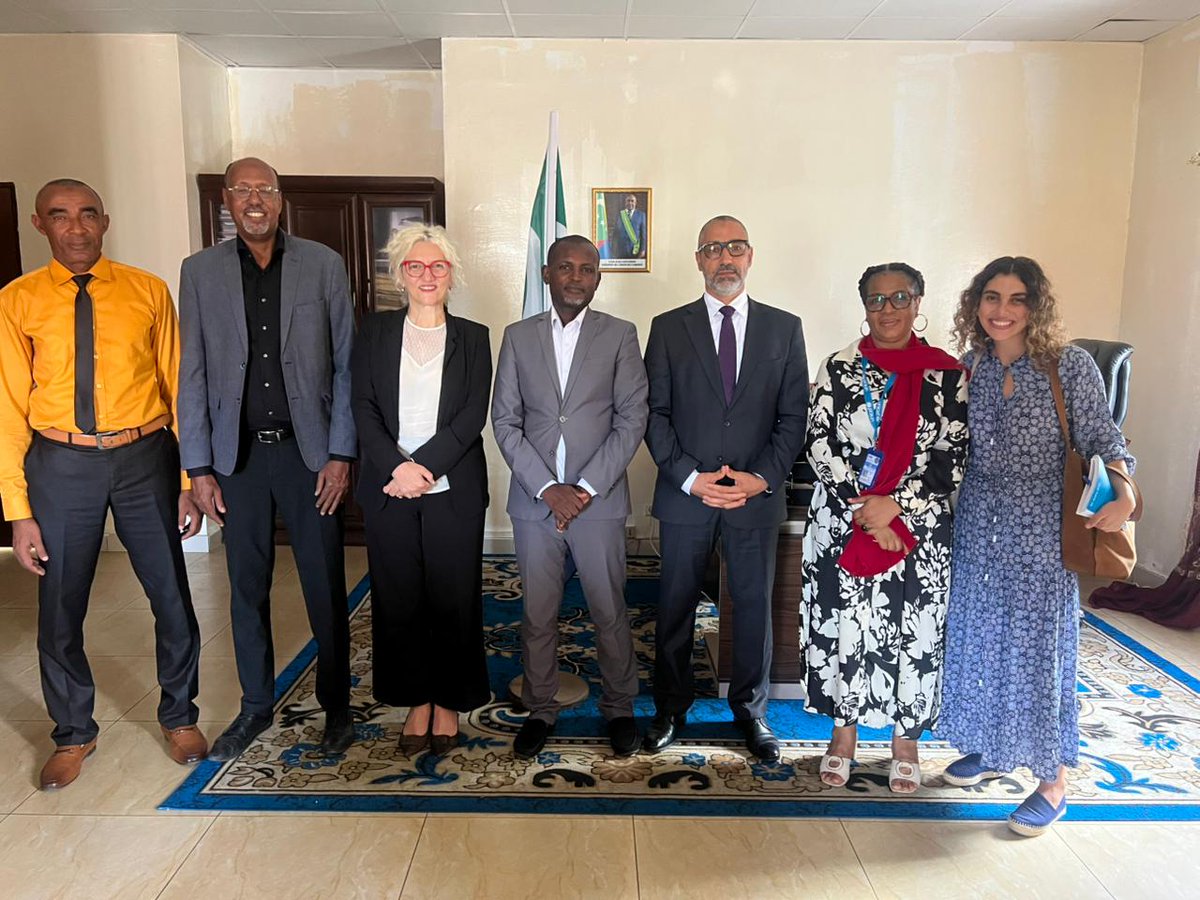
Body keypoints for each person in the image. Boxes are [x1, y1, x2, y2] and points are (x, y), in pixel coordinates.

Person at [0, 178, 206, 789]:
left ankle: (180, 715)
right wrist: (18, 509)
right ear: (40, 224)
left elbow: (178, 385)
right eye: (61, 216)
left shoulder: (147, 290)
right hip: (60, 463)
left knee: (170, 594)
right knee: (60, 604)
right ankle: (73, 732)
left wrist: (189, 478)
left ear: (105, 221)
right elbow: (8, 407)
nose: (77, 227)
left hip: (146, 457)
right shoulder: (17, 300)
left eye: (88, 214)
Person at [936, 256, 1136, 835]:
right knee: (979, 640)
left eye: (1017, 299)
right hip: (979, 525)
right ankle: (990, 747)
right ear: (976, 304)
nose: (1002, 311)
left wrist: (1125, 492)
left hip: (1044, 530)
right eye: (991, 297)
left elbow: (1105, 440)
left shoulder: (1067, 366)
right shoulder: (968, 367)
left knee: (1038, 649)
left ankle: (1052, 781)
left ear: (1035, 306)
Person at [178, 157, 356, 760]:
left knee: (324, 585)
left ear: (280, 200)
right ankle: (255, 706)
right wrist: (198, 468)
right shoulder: (199, 272)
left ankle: (337, 706)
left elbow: (346, 364)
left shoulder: (323, 264)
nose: (255, 200)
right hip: (238, 461)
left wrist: (340, 453)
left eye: (266, 190)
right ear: (227, 201)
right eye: (243, 190)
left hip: (311, 458)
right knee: (245, 588)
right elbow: (192, 373)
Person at [642, 216, 808, 762]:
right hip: (686, 495)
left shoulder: (784, 328)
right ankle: (671, 707)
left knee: (754, 606)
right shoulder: (668, 327)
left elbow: (793, 416)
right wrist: (691, 478)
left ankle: (751, 711)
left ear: (750, 255)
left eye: (735, 247)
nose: (725, 257)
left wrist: (760, 478)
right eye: (713, 249)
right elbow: (654, 413)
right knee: (675, 606)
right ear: (699, 260)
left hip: (753, 498)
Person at [801, 263, 968, 794]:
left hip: (917, 529)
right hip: (844, 521)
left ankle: (906, 742)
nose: (888, 309)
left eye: (900, 297)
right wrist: (865, 510)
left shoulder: (947, 373)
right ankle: (843, 735)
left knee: (914, 633)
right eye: (876, 299)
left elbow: (952, 455)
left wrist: (896, 506)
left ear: (918, 302)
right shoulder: (839, 366)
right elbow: (819, 443)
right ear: (864, 306)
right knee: (847, 627)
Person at [493, 235, 649, 759]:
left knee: (609, 609)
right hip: (534, 502)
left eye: (586, 268)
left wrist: (582, 490)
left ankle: (619, 708)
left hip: (597, 502)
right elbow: (505, 421)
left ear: (598, 278)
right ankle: (540, 708)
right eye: (566, 267)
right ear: (548, 273)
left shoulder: (621, 335)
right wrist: (547, 489)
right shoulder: (518, 337)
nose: (576, 277)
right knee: (538, 613)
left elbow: (632, 419)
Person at [351, 224, 491, 756]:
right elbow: (362, 405)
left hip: (452, 486)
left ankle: (450, 698)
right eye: (415, 266)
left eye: (437, 266)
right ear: (400, 274)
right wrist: (397, 467)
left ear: (451, 274)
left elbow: (472, 414)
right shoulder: (374, 331)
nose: (427, 275)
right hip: (389, 486)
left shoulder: (474, 336)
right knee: (399, 596)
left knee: (453, 596)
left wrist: (423, 467)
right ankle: (416, 698)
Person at [611, 194, 646, 260]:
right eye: (628, 201)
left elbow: (643, 234)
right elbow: (615, 233)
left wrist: (643, 250)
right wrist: (613, 249)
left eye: (632, 201)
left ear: (635, 203)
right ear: (625, 203)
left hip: (635, 250)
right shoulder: (620, 215)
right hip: (621, 250)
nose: (630, 203)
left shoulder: (641, 215)